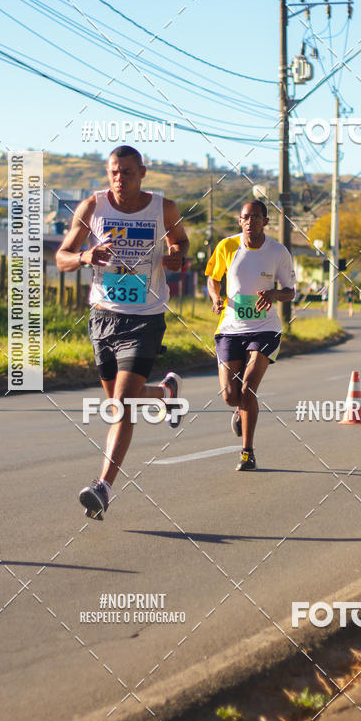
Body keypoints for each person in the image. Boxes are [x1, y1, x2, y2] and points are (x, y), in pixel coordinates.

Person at [56, 146, 189, 519]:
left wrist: (177, 254)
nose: (119, 178)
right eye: (114, 172)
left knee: (122, 406)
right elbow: (63, 256)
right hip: (103, 317)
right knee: (119, 398)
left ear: (142, 173)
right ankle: (166, 392)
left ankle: (103, 486)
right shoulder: (92, 208)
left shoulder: (163, 208)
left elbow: (181, 243)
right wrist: (85, 256)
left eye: (127, 172)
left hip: (145, 317)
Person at [206, 201, 296, 471]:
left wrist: (273, 294)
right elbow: (213, 277)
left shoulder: (278, 252)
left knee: (247, 389)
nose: (250, 222)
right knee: (230, 395)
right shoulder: (227, 247)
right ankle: (239, 409)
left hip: (265, 328)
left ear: (265, 221)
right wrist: (215, 297)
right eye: (246, 217)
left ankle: (247, 452)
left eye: (256, 217)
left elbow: (290, 291)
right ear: (239, 220)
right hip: (230, 328)